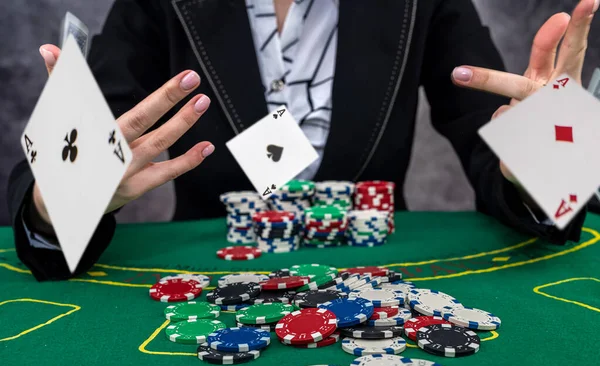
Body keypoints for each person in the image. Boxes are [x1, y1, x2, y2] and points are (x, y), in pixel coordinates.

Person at [8, 0, 598, 281]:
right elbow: (90, 147)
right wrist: (63, 197)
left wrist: (545, 161)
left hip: (380, 271)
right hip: (206, 271)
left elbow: (490, 136)